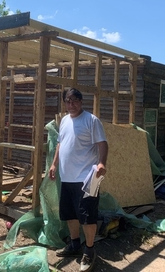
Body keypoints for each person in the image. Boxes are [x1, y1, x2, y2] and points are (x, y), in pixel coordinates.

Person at [49, 88, 108, 272]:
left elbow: (102, 144)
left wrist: (101, 163)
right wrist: (53, 164)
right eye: (67, 101)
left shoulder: (91, 120)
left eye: (74, 100)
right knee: (70, 214)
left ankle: (89, 250)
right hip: (67, 177)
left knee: (87, 216)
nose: (71, 104)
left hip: (87, 178)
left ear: (81, 101)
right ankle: (74, 244)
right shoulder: (65, 120)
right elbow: (60, 143)